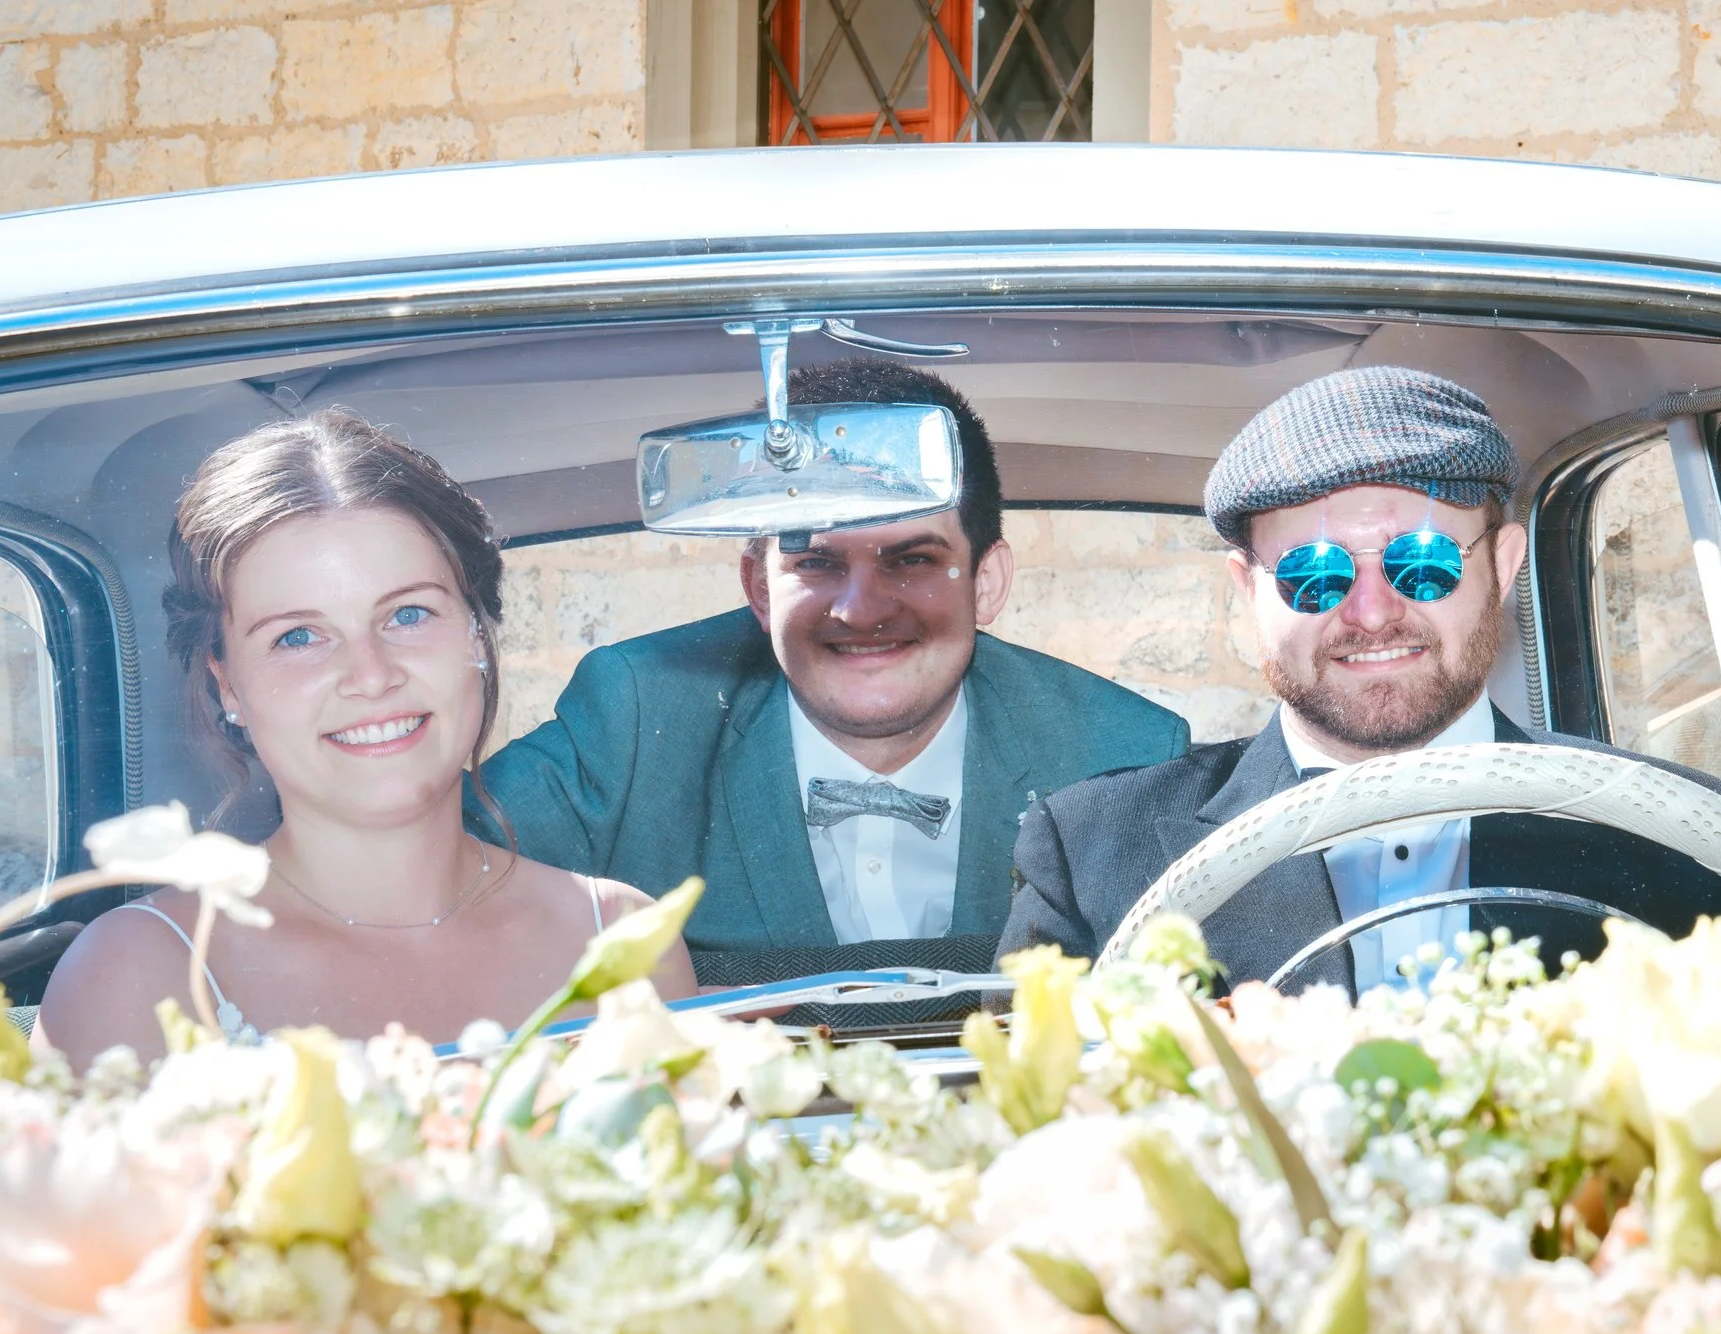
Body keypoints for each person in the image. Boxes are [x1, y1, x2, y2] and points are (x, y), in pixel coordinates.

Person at [997, 365, 1721, 991]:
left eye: (1424, 561)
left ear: (1503, 565)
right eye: (1313, 572)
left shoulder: (1687, 834)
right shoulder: (1093, 852)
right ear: (1248, 592)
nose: (1373, 612)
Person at [477, 358, 1190, 974]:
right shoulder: (634, 718)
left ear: (986, 582)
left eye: (912, 560)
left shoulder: (1125, 756)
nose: (860, 609)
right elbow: (436, 874)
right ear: (759, 589)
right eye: (816, 563)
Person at [38, 411, 696, 1069]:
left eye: (408, 614)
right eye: (298, 636)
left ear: (479, 635)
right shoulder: (133, 972)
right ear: (227, 684)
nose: (371, 675)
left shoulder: (625, 936)